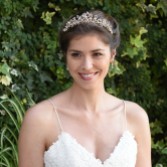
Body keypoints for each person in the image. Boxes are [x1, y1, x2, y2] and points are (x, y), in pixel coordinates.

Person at [18, 10, 152, 167]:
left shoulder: (134, 116)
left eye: (97, 54)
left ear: (112, 55)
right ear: (66, 56)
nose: (87, 66)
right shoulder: (40, 119)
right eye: (76, 55)